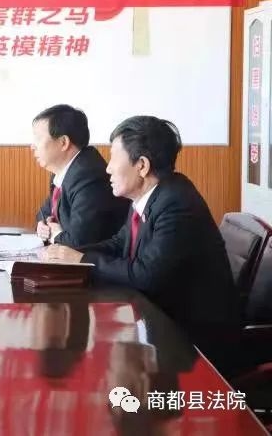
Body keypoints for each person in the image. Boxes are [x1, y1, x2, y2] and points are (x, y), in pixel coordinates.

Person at [41, 116, 240, 372]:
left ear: (142, 166)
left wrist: (82, 260)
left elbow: (146, 275)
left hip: (193, 341)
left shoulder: (175, 203)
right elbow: (119, 243)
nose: (107, 169)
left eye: (114, 159)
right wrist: (69, 254)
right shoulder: (150, 195)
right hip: (159, 319)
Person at [32, 104, 129, 246]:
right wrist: (42, 226)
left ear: (63, 143)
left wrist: (54, 235)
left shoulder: (90, 178)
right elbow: (44, 212)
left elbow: (79, 243)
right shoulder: (63, 171)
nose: (32, 146)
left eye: (38, 139)